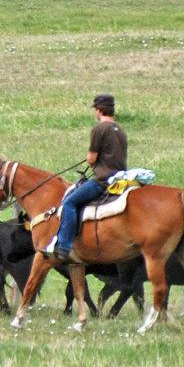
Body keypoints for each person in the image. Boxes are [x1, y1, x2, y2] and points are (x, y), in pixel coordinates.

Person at [48, 93, 127, 262]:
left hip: (102, 181)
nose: (95, 113)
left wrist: (92, 161)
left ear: (99, 110)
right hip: (120, 179)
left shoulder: (99, 129)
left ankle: (64, 246)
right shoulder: (120, 130)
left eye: (95, 109)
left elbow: (91, 158)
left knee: (69, 203)